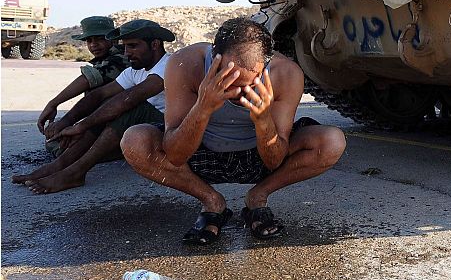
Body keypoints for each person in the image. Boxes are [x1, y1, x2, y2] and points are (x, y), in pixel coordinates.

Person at [122, 17, 346, 246]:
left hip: (258, 156)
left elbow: (274, 161)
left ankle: (258, 197)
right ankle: (212, 202)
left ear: (265, 65)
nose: (239, 91)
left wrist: (263, 120)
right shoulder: (185, 63)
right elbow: (176, 155)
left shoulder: (287, 74)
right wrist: (202, 108)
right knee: (135, 141)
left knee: (331, 141)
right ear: (214, 58)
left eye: (249, 82)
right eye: (228, 79)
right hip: (200, 152)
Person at [13, 20, 174, 194]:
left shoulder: (170, 65)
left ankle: (76, 172)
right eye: (125, 47)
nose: (127, 53)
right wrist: (68, 121)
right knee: (105, 105)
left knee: (131, 108)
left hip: (175, 134)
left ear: (155, 44)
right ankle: (59, 165)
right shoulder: (136, 70)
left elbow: (129, 99)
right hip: (145, 132)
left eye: (133, 46)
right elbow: (100, 95)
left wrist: (82, 125)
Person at [38, 16, 129, 157]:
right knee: (59, 141)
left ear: (114, 39)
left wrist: (53, 104)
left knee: (62, 147)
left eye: (99, 39)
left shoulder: (122, 58)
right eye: (89, 40)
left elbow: (89, 78)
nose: (93, 44)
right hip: (108, 119)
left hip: (126, 121)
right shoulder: (106, 59)